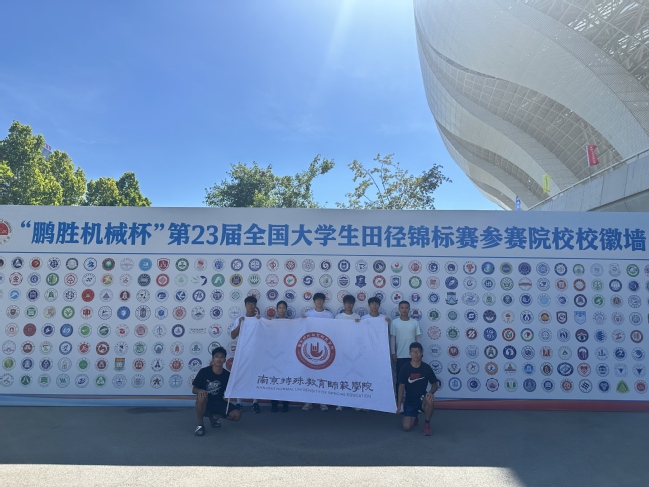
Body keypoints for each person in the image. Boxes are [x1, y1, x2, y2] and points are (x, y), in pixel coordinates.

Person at [192, 346, 241, 436]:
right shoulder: (204, 371)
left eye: (221, 357)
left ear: (224, 360)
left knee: (237, 416)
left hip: (219, 402)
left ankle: (214, 416)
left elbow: (230, 391)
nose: (219, 359)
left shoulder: (227, 375)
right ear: (213, 359)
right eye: (216, 356)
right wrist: (200, 391)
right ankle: (200, 425)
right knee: (201, 396)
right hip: (206, 402)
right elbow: (194, 390)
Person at [396, 342, 438, 436]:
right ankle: (414, 416)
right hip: (410, 400)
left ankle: (427, 423)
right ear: (410, 353)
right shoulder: (405, 368)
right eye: (413, 352)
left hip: (422, 398)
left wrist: (431, 392)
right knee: (406, 427)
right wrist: (399, 405)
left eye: (418, 352)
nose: (416, 354)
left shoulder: (426, 368)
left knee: (429, 399)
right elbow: (401, 387)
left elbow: (435, 385)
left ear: (422, 353)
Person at [231, 295, 262, 413]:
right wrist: (240, 324)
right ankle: (239, 402)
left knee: (255, 377)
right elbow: (233, 335)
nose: (250, 305)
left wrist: (261, 322)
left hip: (256, 353)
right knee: (240, 376)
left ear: (255, 306)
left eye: (252, 303)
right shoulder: (240, 319)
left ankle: (255, 402)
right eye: (248, 303)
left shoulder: (259, 319)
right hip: (242, 353)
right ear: (245, 305)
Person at [302, 292, 333, 411]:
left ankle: (323, 402)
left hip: (325, 348)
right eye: (317, 300)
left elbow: (333, 330)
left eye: (321, 300)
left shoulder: (328, 315)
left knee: (323, 375)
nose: (319, 302)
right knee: (309, 375)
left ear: (323, 301)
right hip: (310, 347)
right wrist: (302, 320)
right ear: (314, 301)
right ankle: (307, 402)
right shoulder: (308, 314)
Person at [389, 300, 421, 399]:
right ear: (399, 309)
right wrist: (393, 353)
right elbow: (392, 338)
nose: (404, 310)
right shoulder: (394, 322)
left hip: (413, 357)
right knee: (400, 381)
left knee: (413, 380)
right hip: (400, 356)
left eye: (406, 308)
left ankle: (413, 402)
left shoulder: (414, 322)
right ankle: (400, 402)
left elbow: (417, 338)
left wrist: (418, 353)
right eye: (402, 308)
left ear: (409, 309)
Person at [333, 294, 360, 411]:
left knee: (353, 376)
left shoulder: (357, 316)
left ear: (353, 304)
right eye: (347, 303)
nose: (349, 305)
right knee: (341, 376)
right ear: (343, 304)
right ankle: (340, 402)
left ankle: (354, 402)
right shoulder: (338, 317)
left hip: (353, 351)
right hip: (341, 350)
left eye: (351, 303)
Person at [270, 300, 291, 413]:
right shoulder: (272, 322)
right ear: (277, 309)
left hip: (287, 354)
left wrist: (303, 320)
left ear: (286, 309)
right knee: (274, 379)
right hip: (275, 354)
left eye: (283, 307)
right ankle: (274, 404)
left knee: (286, 379)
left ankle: (285, 404)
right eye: (280, 307)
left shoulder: (291, 322)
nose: (282, 309)